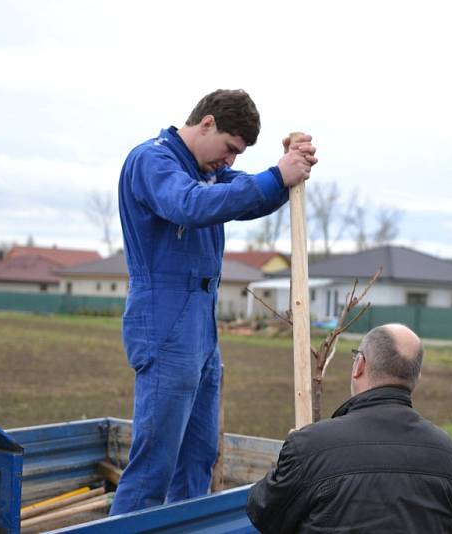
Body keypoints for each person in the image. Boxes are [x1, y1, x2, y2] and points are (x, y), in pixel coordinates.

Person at [110, 89, 317, 515]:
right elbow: (187, 204)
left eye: (237, 154)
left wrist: (287, 175)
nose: (230, 161)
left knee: (197, 459)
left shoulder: (205, 170)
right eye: (229, 148)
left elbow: (246, 193)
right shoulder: (155, 161)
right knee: (155, 467)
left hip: (201, 324)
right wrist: (277, 175)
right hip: (164, 318)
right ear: (206, 123)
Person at [247, 324, 452, 533]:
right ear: (416, 377)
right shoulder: (449, 454)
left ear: (359, 364)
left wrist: (296, 458)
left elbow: (263, 513)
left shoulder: (310, 446)